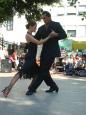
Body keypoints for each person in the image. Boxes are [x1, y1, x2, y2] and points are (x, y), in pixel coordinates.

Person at [1, 20, 54, 97]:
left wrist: (25, 45)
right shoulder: (28, 35)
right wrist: (49, 36)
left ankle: (31, 88)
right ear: (30, 26)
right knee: (20, 73)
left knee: (37, 74)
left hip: (33, 58)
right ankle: (8, 88)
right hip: (30, 58)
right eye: (35, 27)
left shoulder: (31, 35)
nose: (35, 29)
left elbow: (30, 45)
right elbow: (39, 43)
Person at [26, 11, 67, 95]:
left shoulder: (56, 25)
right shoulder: (41, 28)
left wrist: (56, 35)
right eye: (42, 18)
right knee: (45, 71)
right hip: (43, 52)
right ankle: (53, 86)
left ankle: (32, 88)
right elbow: (35, 39)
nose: (43, 20)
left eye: (44, 18)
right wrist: (27, 40)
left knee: (42, 70)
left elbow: (64, 35)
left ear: (49, 17)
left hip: (52, 52)